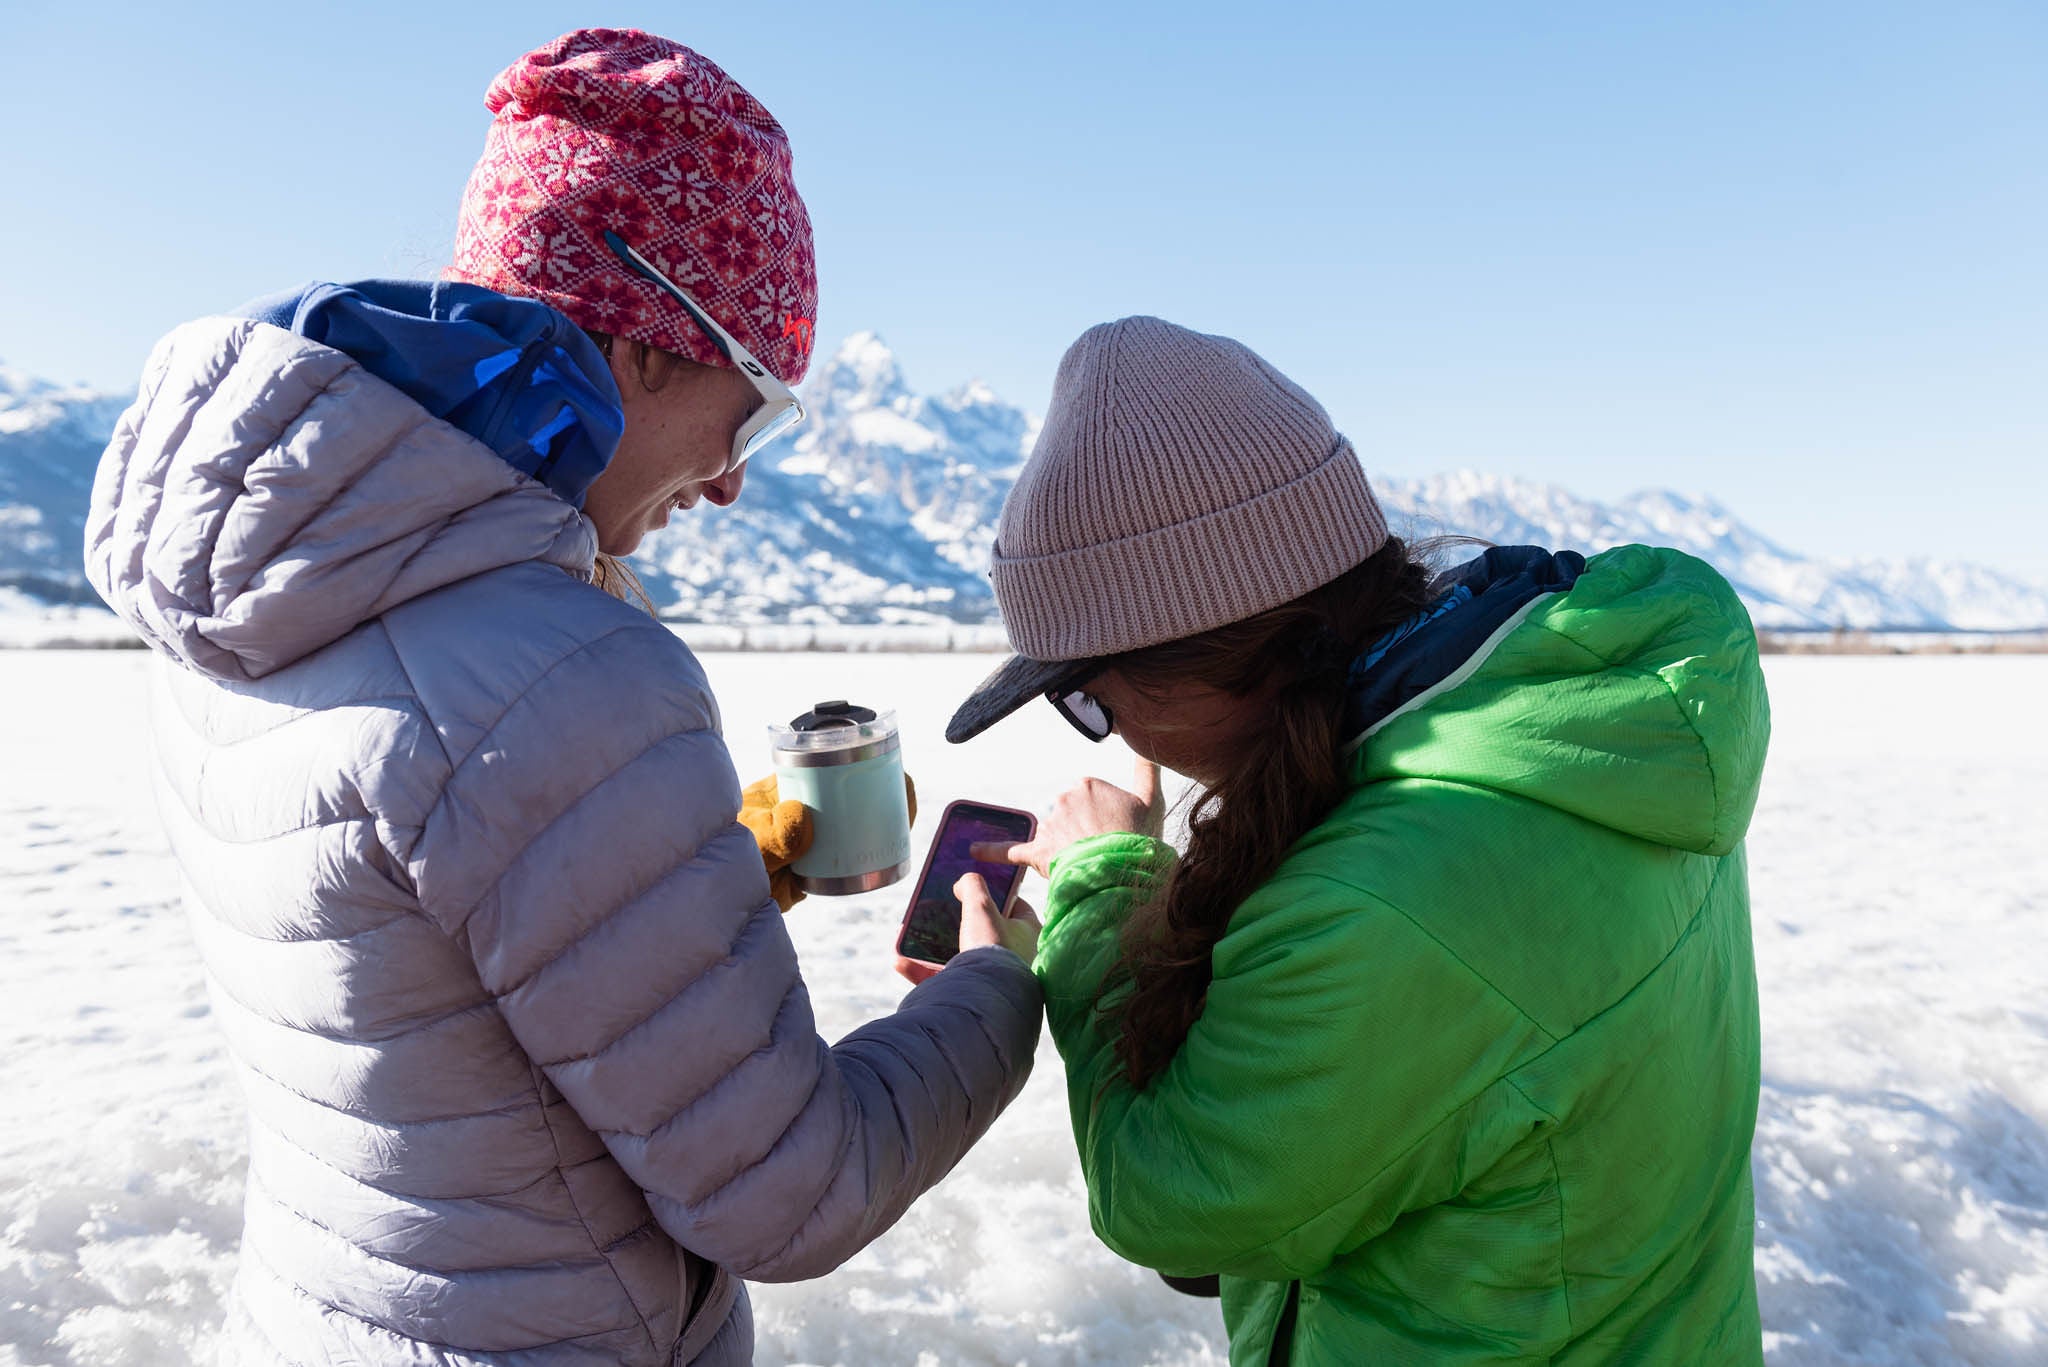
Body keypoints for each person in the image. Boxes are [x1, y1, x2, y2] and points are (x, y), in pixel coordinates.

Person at [82, 29, 1041, 1366]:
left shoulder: (266, 592)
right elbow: (792, 1186)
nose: (729, 481)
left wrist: (700, 870)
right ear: (646, 346)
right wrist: (999, 984)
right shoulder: (568, 666)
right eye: (750, 411)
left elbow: (418, 971)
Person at [946, 315, 1770, 1364]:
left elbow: (1177, 1201)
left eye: (1086, 701)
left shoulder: (1381, 897)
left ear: (1192, 662)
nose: (1108, 734)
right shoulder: (1575, 731)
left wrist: (1100, 893)